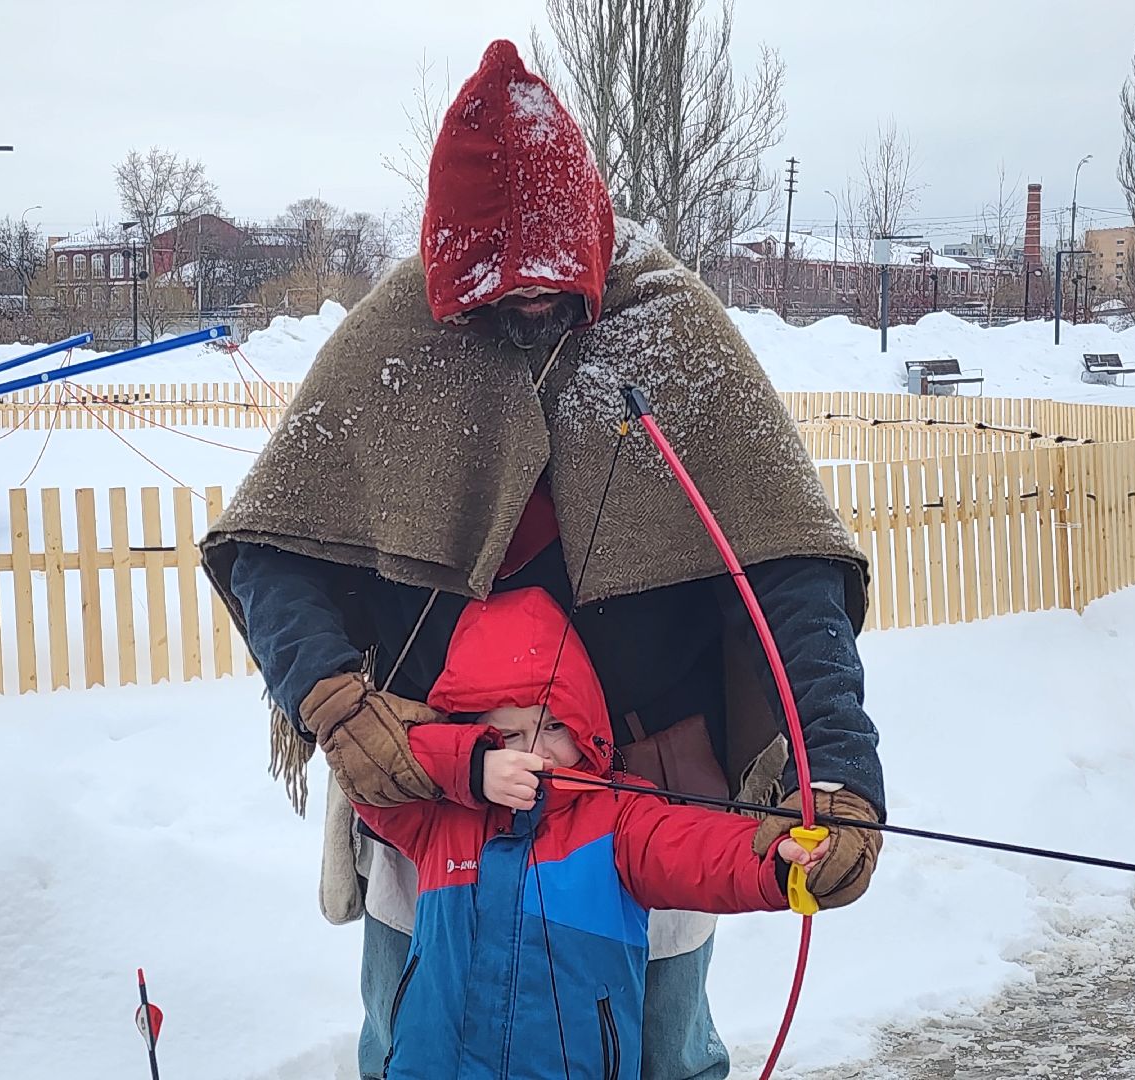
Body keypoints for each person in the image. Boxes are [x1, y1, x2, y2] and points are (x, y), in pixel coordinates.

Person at [203, 38, 885, 1080]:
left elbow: (787, 570)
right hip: (433, 792)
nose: (528, 304)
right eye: (499, 287)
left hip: (646, 798)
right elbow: (272, 550)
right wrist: (333, 700)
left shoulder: (671, 329)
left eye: (552, 283)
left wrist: (835, 766)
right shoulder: (397, 335)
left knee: (662, 1055)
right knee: (413, 1046)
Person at [353, 586, 828, 1080]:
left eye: (554, 726)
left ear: (585, 723)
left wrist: (775, 863)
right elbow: (366, 771)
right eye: (509, 735)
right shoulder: (441, 817)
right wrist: (468, 766)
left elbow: (696, 849)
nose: (537, 753)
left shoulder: (617, 816)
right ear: (472, 731)